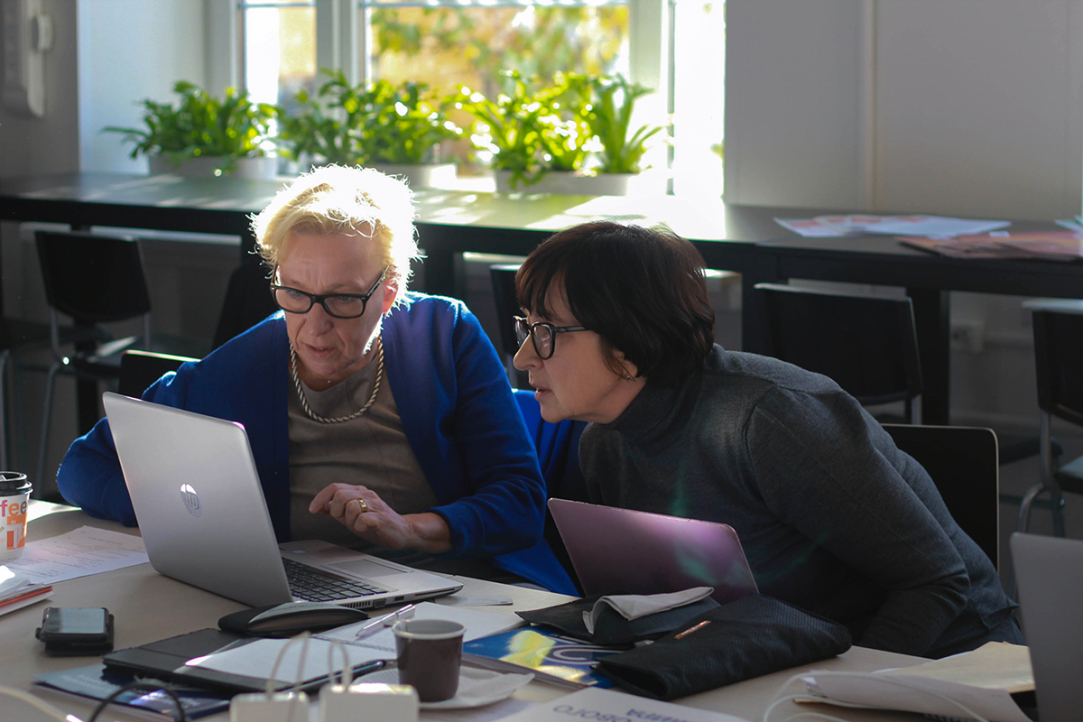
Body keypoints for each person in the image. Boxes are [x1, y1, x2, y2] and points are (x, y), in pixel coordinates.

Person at [511, 220, 1023, 658]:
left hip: (948, 661)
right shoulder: (603, 442)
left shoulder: (767, 420)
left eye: (547, 332)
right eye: (526, 328)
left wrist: (846, 696)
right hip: (780, 662)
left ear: (628, 344)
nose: (523, 357)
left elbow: (935, 581)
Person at [56, 165, 575, 594]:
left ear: (389, 293)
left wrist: (407, 528)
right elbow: (83, 466)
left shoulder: (443, 335)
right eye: (295, 293)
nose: (315, 325)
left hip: (454, 594)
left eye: (343, 298)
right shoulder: (241, 365)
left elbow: (519, 503)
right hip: (297, 602)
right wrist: (193, 514)